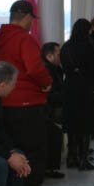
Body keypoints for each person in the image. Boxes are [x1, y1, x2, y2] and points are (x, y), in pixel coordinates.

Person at [0, 0, 57, 186]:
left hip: (3, 103)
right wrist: (47, 84)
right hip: (27, 104)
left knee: (14, 150)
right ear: (27, 17)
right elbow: (35, 68)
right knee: (35, 149)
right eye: (31, 20)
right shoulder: (24, 40)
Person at [60, 19, 94, 170]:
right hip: (85, 90)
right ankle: (83, 159)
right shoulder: (88, 46)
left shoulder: (66, 47)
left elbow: (65, 67)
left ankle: (71, 157)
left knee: (72, 124)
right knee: (85, 125)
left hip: (69, 88)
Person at [41, 42, 66, 178]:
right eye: (58, 54)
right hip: (49, 108)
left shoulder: (55, 69)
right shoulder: (48, 70)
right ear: (49, 56)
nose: (61, 56)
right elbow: (50, 94)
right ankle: (50, 168)